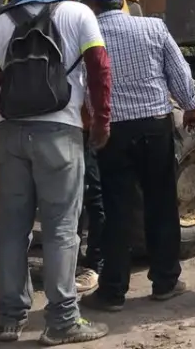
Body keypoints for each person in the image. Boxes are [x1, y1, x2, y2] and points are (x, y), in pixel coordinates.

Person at [0, 0, 112, 345]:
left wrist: (8, 106)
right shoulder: (78, 12)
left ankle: (10, 319)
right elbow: (99, 68)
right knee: (61, 228)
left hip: (11, 133)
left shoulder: (0, 23)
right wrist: (101, 121)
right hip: (60, 132)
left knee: (13, 229)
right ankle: (62, 320)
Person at [75, 0, 195, 313]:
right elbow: (179, 71)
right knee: (161, 204)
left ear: (92, 4)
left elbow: (78, 84)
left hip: (111, 131)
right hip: (155, 127)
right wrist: (190, 105)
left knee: (117, 210)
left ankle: (113, 291)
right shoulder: (153, 28)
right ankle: (165, 282)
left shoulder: (85, 34)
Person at [75, 122, 105, 296]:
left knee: (93, 195)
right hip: (64, 128)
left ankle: (95, 265)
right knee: (72, 199)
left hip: (86, 130)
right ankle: (73, 262)